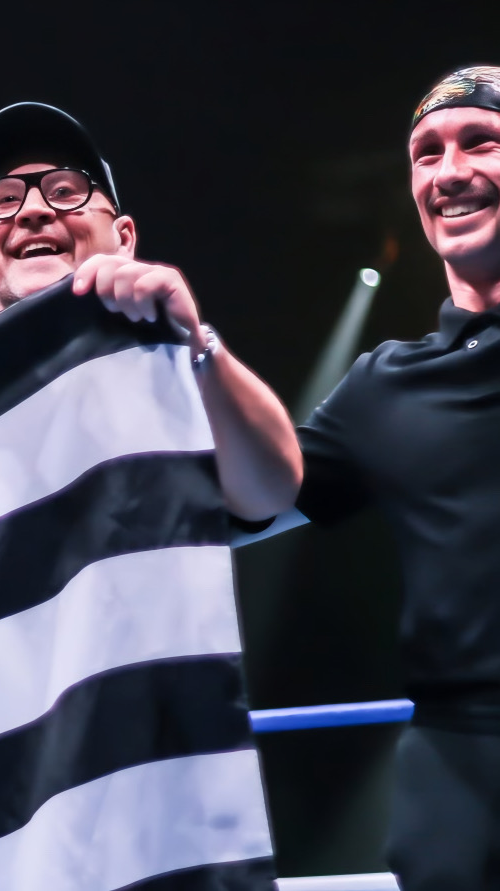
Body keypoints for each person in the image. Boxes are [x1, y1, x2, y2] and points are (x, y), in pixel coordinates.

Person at [0, 0, 300, 524]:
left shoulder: (178, 391)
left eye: (65, 190)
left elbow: (271, 492)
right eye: (3, 198)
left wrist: (196, 347)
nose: (34, 210)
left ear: (124, 237)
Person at [289, 66, 500, 889]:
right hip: (454, 773)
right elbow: (234, 502)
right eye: (425, 153)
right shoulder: (386, 386)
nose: (448, 171)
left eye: (480, 140)